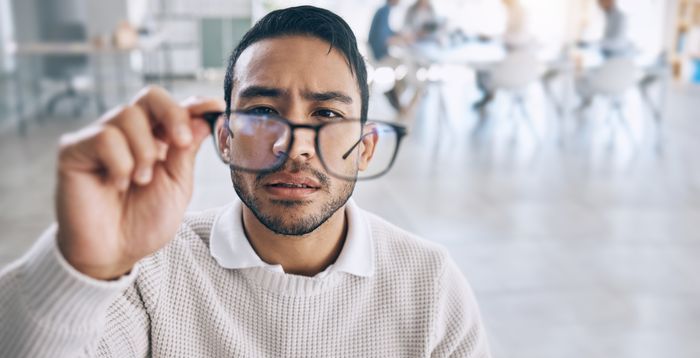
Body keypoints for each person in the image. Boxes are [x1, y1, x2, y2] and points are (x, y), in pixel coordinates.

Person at [0, 6, 491, 357]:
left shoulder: (428, 284)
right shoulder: (147, 272)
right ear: (226, 138)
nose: (293, 147)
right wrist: (81, 268)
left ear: (365, 147)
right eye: (261, 112)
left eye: (325, 112)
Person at [368, 0, 411, 113]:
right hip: (379, 55)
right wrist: (399, 40)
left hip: (379, 52)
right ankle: (394, 94)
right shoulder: (384, 11)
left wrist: (398, 34)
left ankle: (394, 93)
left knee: (402, 64)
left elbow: (386, 31)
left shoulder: (384, 10)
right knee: (406, 65)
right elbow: (383, 39)